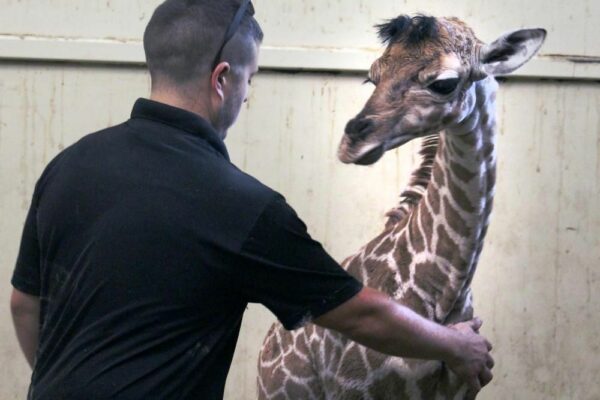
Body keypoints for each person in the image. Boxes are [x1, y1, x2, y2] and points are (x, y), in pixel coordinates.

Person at [9, 1, 494, 399]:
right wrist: (454, 345)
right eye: (250, 79)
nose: (246, 96)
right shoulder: (241, 206)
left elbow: (23, 305)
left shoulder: (68, 167)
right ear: (223, 79)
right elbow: (358, 312)